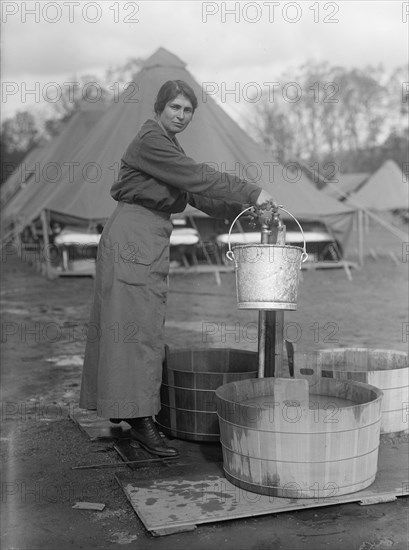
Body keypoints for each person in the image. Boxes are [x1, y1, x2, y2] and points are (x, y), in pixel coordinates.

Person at [79, 80, 277, 457]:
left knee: (133, 327)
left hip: (145, 236)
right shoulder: (150, 141)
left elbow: (197, 195)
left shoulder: (167, 147)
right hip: (135, 235)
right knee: (137, 332)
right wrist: (253, 192)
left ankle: (127, 410)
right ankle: (140, 422)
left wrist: (243, 212)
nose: (182, 116)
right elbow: (198, 176)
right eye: (175, 108)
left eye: (188, 110)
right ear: (159, 108)